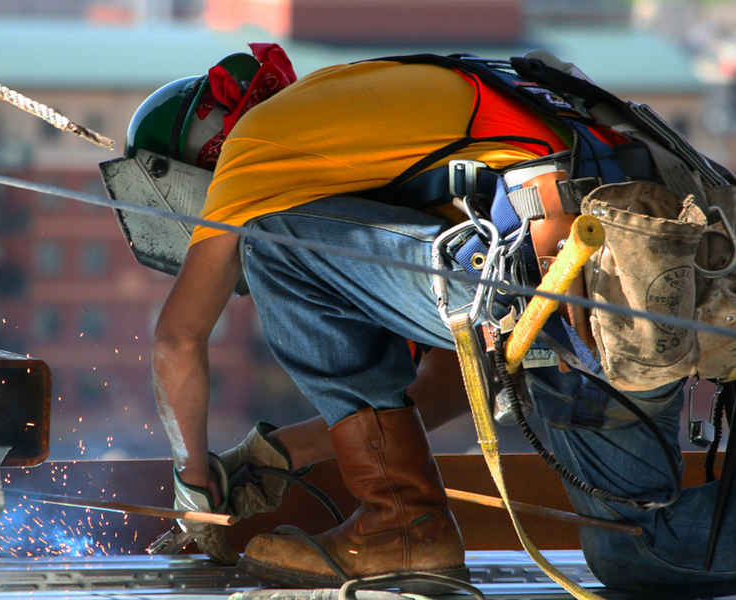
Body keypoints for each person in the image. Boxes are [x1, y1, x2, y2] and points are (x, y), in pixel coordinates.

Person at [130, 43, 736, 597]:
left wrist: (194, 479)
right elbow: (454, 380)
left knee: (270, 248)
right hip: (642, 292)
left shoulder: (253, 145)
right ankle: (403, 523)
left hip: (569, 275)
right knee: (636, 552)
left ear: (204, 157)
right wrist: (279, 453)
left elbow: (178, 339)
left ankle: (401, 529)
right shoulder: (365, 122)